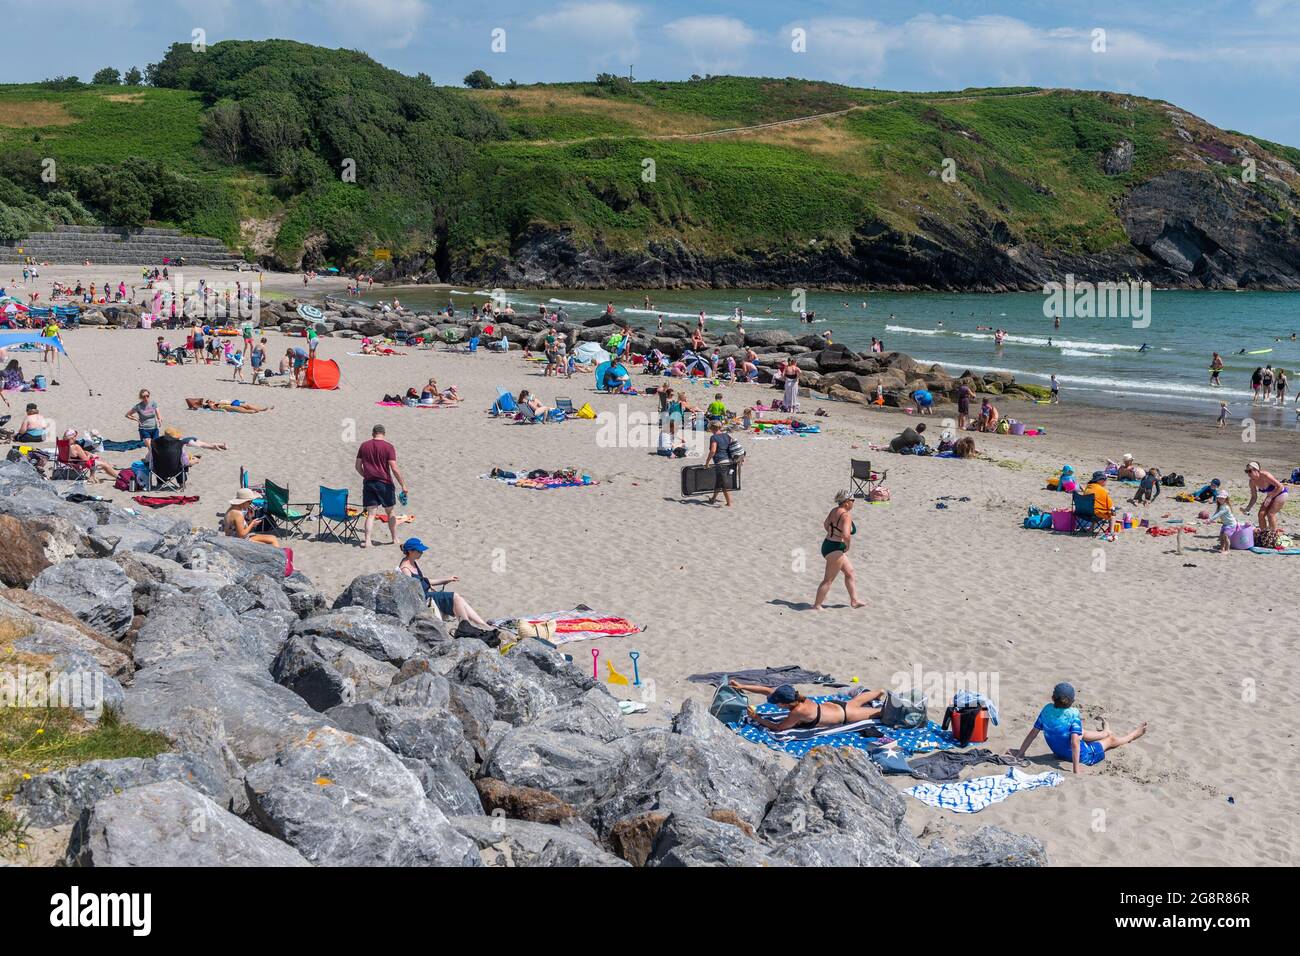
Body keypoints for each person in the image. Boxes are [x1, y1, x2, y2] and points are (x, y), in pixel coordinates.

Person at [1009, 682, 1146, 774]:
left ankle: (1105, 732)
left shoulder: (1046, 710)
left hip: (1059, 751)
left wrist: (1020, 753)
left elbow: (1033, 733)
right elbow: (1075, 743)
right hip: (1084, 756)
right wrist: (1076, 769)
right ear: (1072, 701)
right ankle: (1132, 735)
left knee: (1080, 732)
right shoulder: (1073, 714)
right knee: (1110, 740)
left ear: (1052, 698)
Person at [397, 538, 490, 628]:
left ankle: (482, 624)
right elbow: (411, 591)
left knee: (459, 599)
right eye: (419, 551)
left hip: (427, 594)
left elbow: (425, 581)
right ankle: (466, 626)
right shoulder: (405, 568)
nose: (421, 553)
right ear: (410, 551)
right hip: (424, 598)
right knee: (454, 597)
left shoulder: (413, 562)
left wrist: (447, 580)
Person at [727, 680, 888, 730]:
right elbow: (766, 690)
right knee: (854, 702)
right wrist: (742, 686)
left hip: (843, 716)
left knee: (879, 713)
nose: (776, 707)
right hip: (836, 706)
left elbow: (779, 728)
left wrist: (756, 717)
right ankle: (878, 692)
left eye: (777, 704)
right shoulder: (795, 697)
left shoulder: (798, 711)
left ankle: (879, 697)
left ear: (785, 703)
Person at [813, 490, 867, 610]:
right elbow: (847, 535)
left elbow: (826, 524)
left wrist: (833, 534)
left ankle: (854, 600)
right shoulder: (846, 515)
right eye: (853, 501)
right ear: (847, 502)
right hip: (835, 548)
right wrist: (847, 546)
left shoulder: (834, 510)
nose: (854, 503)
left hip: (827, 544)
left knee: (850, 573)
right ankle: (817, 605)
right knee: (828, 580)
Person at [355, 424, 407, 548]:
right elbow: (394, 468)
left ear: (373, 433)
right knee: (390, 512)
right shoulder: (388, 447)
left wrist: (366, 475)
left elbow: (357, 466)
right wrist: (403, 485)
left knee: (371, 514)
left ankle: (367, 541)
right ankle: (394, 538)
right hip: (385, 483)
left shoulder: (364, 446)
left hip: (369, 483)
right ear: (384, 434)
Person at [1244, 461, 1287, 532]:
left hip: (1280, 493)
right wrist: (1248, 507)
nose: (1248, 473)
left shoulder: (1265, 475)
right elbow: (1254, 497)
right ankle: (1264, 534)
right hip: (1270, 496)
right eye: (1246, 471)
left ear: (1256, 470)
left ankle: (1273, 537)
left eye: (1249, 471)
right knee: (1261, 514)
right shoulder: (1251, 482)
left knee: (1271, 514)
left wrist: (1270, 498)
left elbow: (1280, 486)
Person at [704, 421, 735, 507]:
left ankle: (729, 502)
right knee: (719, 481)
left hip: (721, 462)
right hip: (729, 461)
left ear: (712, 428)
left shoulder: (714, 437)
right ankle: (713, 499)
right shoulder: (727, 436)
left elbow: (713, 451)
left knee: (723, 483)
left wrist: (707, 461)